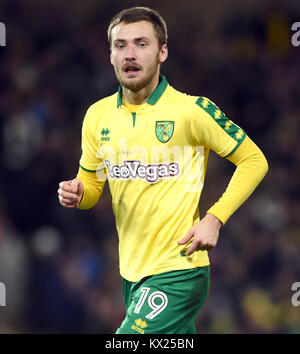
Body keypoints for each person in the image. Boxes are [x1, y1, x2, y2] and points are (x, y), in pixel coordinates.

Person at [57, 6, 268, 334]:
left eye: (141, 44)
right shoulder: (97, 117)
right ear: (110, 55)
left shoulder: (192, 111)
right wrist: (79, 192)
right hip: (132, 274)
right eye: (121, 45)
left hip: (180, 270)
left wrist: (214, 218)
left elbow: (254, 161)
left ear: (162, 52)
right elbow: (92, 184)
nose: (130, 54)